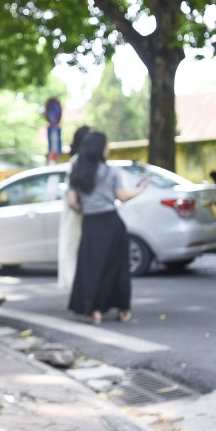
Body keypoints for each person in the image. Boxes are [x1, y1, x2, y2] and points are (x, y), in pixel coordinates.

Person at [66, 130, 149, 324]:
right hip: (112, 223)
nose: (109, 149)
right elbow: (123, 196)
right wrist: (141, 188)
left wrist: (85, 209)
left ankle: (94, 311)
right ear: (99, 149)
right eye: (106, 146)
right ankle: (123, 310)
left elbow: (72, 202)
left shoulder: (77, 172)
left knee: (92, 268)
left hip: (90, 224)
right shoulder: (111, 172)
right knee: (118, 268)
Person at [57, 125, 92, 291]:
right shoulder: (78, 162)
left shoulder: (82, 161)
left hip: (79, 212)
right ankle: (76, 289)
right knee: (72, 250)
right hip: (76, 213)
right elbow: (72, 197)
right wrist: (83, 210)